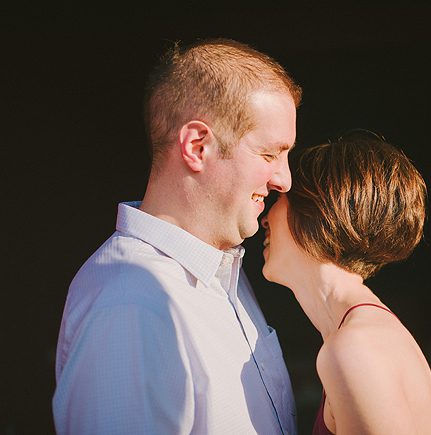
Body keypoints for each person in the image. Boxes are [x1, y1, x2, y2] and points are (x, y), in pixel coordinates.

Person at [53, 39, 301, 434]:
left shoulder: (223, 274)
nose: (283, 180)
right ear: (197, 146)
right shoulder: (131, 303)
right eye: (269, 154)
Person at [261, 131, 431, 434]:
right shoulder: (366, 334)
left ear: (319, 214)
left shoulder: (354, 349)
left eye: (284, 197)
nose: (264, 216)